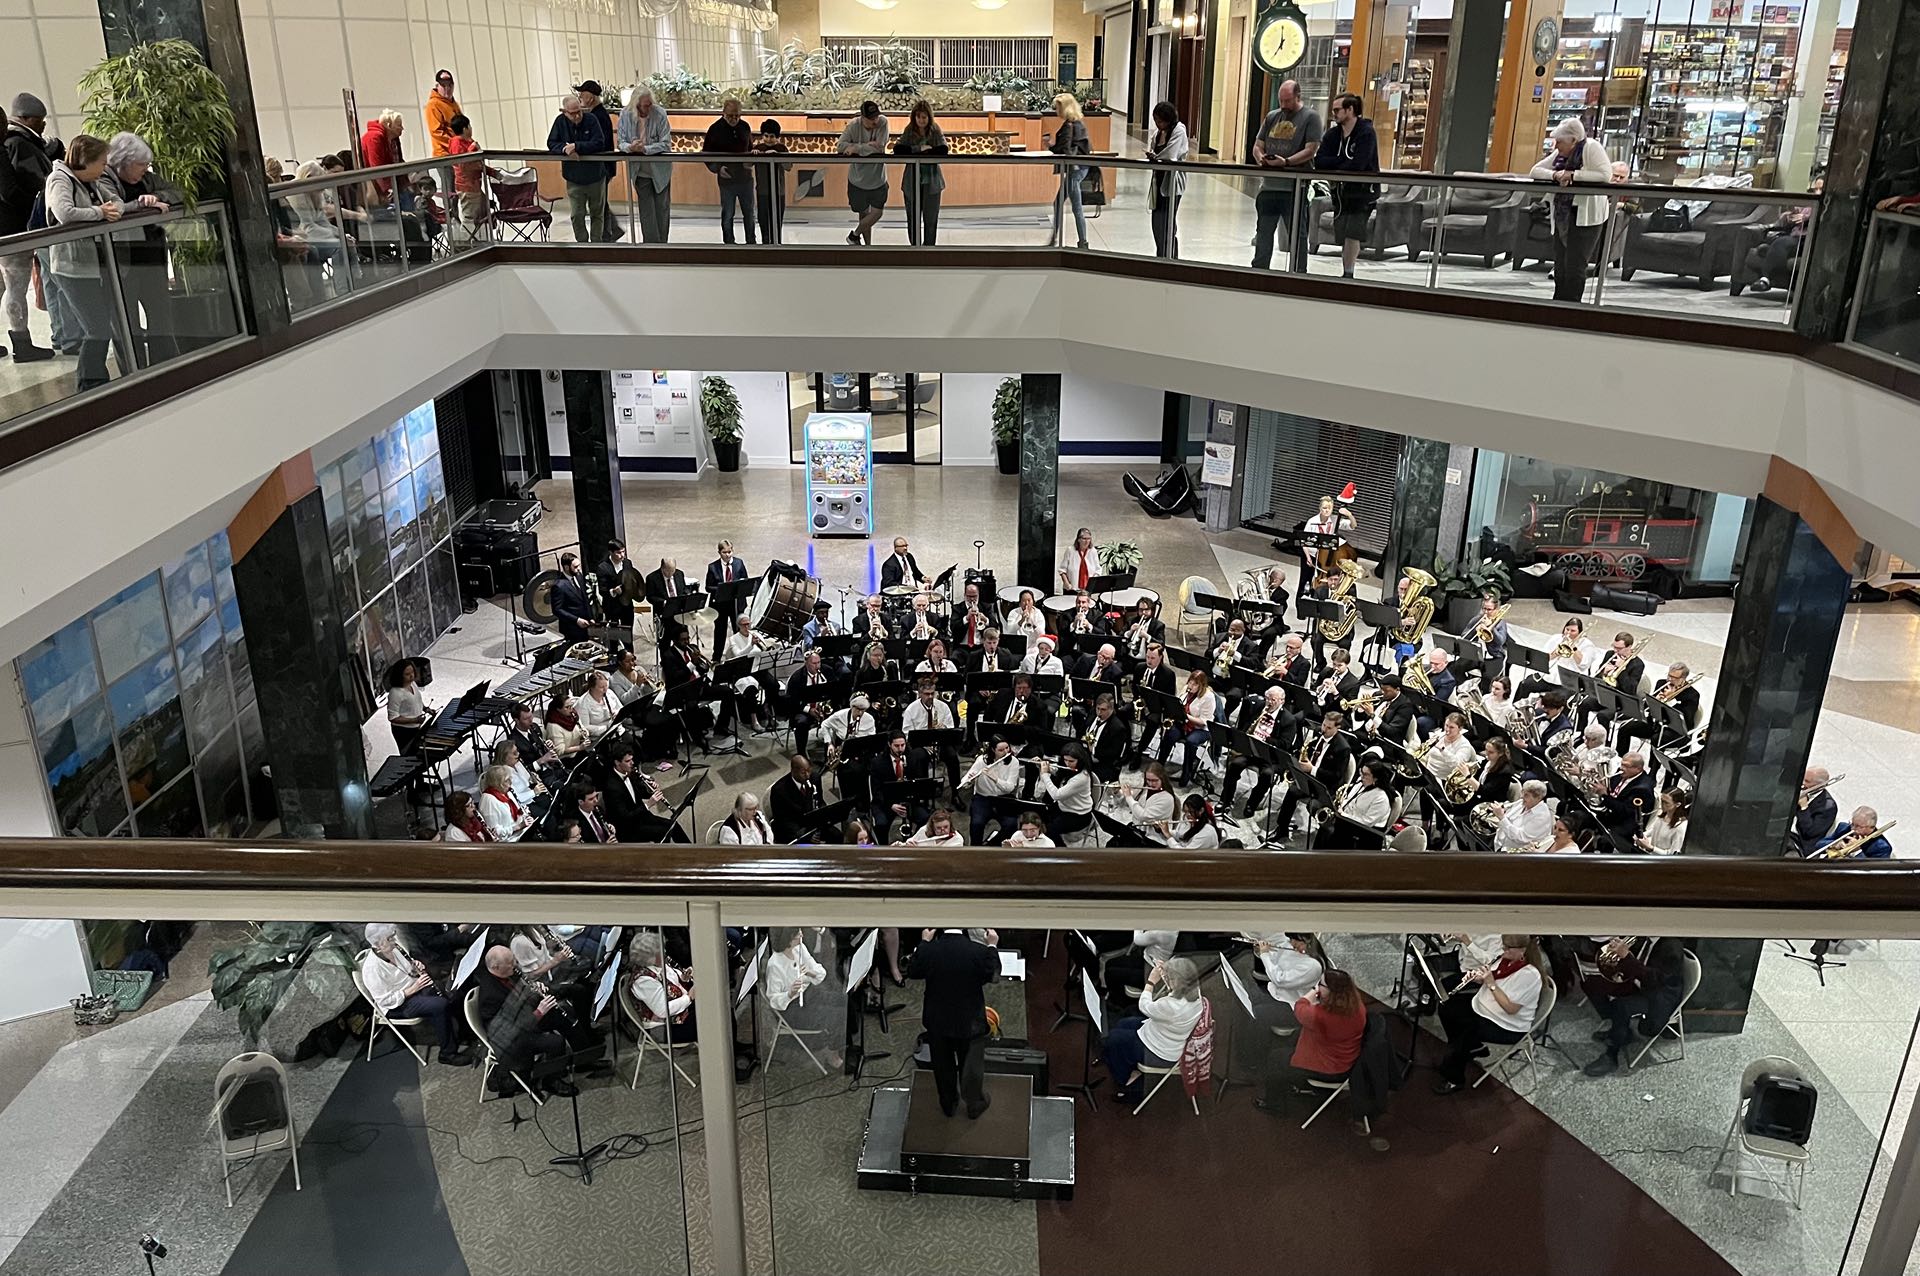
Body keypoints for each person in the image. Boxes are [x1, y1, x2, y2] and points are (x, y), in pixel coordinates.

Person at [44, 135, 125, 393]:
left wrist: (112, 209)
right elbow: (64, 213)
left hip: (95, 264)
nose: (104, 168)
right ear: (86, 161)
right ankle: (89, 385)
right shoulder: (60, 179)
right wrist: (100, 213)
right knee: (96, 328)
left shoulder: (92, 182)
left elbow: (117, 202)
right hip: (72, 267)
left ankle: (95, 382)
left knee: (102, 326)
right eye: (101, 162)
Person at [94, 133, 176, 371]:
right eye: (141, 165)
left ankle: (165, 367)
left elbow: (178, 192)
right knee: (126, 322)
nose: (145, 169)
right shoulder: (103, 179)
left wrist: (157, 197)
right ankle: (135, 371)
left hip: (152, 255)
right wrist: (141, 205)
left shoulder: (148, 179)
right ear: (123, 162)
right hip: (121, 261)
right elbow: (112, 209)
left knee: (161, 314)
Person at [906, 926, 1001, 1118]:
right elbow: (993, 975)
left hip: (938, 1021)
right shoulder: (978, 952)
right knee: (972, 1067)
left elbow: (913, 970)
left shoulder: (930, 951)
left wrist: (924, 943)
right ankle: (974, 1105)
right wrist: (992, 945)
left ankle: (948, 1105)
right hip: (970, 1022)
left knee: (942, 1066)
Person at [1435, 934, 1544, 1094]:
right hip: (1483, 1007)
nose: (1503, 951)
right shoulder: (1507, 959)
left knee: (1465, 1034)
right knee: (1446, 1007)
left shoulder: (1530, 975)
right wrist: (1479, 978)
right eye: (1504, 946)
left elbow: (1510, 1008)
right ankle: (1469, 1049)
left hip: (1506, 1025)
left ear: (1523, 950)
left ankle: (1454, 1078)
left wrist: (1491, 983)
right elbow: (1492, 974)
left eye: (1508, 949)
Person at [1257, 967, 1366, 1114]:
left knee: (1276, 1059)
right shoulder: (1357, 1006)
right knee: (1294, 1037)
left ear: (1332, 992)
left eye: (1321, 984)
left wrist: (1312, 992)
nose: (1318, 986)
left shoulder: (1321, 1016)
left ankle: (1274, 1105)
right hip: (1345, 1056)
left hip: (1330, 1067)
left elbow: (1300, 1007)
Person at [359, 924, 472, 1065]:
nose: (394, 941)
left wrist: (415, 965)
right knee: (439, 1005)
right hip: (397, 1005)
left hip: (413, 988)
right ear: (378, 945)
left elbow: (407, 969)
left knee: (453, 991)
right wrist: (414, 987)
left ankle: (463, 1033)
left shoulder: (393, 949)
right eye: (390, 939)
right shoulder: (371, 969)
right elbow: (385, 1000)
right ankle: (447, 1054)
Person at [1529, 117, 1614, 303]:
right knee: (1561, 266)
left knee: (1575, 266)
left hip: (1586, 217)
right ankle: (1558, 303)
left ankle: (1572, 306)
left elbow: (1605, 175)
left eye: (1560, 141)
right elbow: (1535, 171)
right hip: (1563, 216)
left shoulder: (1591, 148)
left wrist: (1574, 175)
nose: (1556, 145)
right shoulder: (1560, 155)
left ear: (1574, 140)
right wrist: (1555, 174)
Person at [1102, 955, 1203, 1105]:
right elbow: (1173, 991)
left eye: (1170, 978)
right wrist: (1168, 973)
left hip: (1159, 1051)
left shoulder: (1171, 1005)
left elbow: (1144, 1006)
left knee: (1113, 1040)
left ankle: (1126, 1082)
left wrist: (1151, 981)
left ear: (1178, 982)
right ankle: (1126, 1062)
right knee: (1124, 1023)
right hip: (1165, 1034)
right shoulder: (1196, 994)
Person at [1582, 936, 1687, 1077]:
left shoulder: (1671, 948)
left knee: (1621, 1006)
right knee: (1591, 985)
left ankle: (1611, 1055)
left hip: (1658, 998)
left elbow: (1654, 980)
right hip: (1642, 985)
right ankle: (1618, 1029)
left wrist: (1626, 956)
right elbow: (1638, 965)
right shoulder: (1647, 938)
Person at [2, 94, 57, 362]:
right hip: (11, 229)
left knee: (7, 287)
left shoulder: (11, 146)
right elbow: (10, 191)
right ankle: (22, 343)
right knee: (15, 286)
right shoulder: (13, 147)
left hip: (6, 228)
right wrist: (36, 204)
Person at [1250, 79, 1322, 273]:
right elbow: (1258, 145)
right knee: (1263, 232)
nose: (1283, 105)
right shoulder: (1273, 116)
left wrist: (1287, 162)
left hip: (1294, 190)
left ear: (1298, 97)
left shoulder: (1310, 117)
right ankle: (1259, 270)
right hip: (1269, 188)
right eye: (1281, 100)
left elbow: (1311, 149)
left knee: (1297, 235)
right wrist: (1261, 158)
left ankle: (1299, 273)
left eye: (1287, 101)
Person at [1312, 93, 1379, 279]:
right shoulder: (1333, 134)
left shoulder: (1366, 133)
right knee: (1342, 232)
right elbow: (1320, 161)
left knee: (1353, 233)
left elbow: (1359, 164)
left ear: (1350, 110)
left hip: (1362, 193)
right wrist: (1342, 162)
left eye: (1337, 110)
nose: (1334, 113)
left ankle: (1348, 272)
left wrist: (1335, 163)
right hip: (1340, 193)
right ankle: (1346, 270)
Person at [764, 928, 842, 1068]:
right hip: (792, 1008)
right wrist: (790, 993)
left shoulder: (799, 948)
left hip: (809, 993)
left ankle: (843, 1040)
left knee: (843, 999)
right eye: (797, 934)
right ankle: (832, 1050)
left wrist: (810, 973)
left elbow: (820, 973)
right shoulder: (774, 964)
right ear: (787, 939)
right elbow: (774, 1000)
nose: (801, 935)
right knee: (836, 1015)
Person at [547, 93, 610, 244]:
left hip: (596, 176)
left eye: (579, 112)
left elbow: (599, 142)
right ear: (564, 112)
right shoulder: (560, 122)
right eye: (572, 113)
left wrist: (577, 146)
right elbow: (551, 143)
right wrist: (564, 149)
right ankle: (582, 244)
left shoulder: (591, 119)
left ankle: (596, 243)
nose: (577, 116)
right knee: (577, 214)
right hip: (574, 178)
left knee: (597, 213)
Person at [618, 86, 674, 243]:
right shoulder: (625, 115)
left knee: (662, 209)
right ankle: (650, 246)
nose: (648, 108)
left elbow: (666, 143)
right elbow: (621, 142)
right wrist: (630, 147)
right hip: (639, 171)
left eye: (650, 105)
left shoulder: (660, 113)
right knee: (646, 211)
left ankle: (662, 244)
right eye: (644, 106)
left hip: (660, 171)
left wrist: (646, 149)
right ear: (636, 105)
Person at [893, 99, 947, 246]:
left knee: (931, 219)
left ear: (929, 117)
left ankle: (929, 249)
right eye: (918, 117)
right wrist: (918, 149)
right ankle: (915, 248)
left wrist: (928, 149)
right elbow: (897, 149)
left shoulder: (935, 130)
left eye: (924, 117)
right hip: (912, 182)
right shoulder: (909, 130)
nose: (921, 120)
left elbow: (943, 149)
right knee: (913, 218)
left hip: (932, 181)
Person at [626, 930, 696, 1041]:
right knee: (712, 1016)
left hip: (682, 1013)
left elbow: (672, 981)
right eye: (659, 951)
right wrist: (689, 997)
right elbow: (662, 1010)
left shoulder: (659, 964)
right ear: (649, 958)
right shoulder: (643, 981)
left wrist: (684, 977)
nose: (664, 951)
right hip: (665, 1029)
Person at [572, 80, 620, 241]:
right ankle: (611, 230)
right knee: (601, 202)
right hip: (604, 166)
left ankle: (607, 233)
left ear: (590, 97)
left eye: (582, 94)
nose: (579, 97)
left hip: (602, 166)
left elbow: (599, 143)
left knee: (599, 204)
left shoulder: (596, 117)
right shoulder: (599, 114)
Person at [602, 742, 678, 842]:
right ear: (617, 762)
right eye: (627, 761)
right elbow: (625, 817)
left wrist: (651, 790)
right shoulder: (611, 787)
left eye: (632, 759)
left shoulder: (630, 772)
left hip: (641, 816)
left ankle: (692, 851)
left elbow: (639, 792)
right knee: (663, 831)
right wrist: (648, 804)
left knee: (674, 825)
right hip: (628, 828)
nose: (632, 763)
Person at [839, 101, 890, 246]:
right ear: (862, 117)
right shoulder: (853, 126)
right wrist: (866, 147)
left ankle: (854, 235)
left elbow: (880, 147)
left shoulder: (883, 123)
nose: (875, 121)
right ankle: (867, 246)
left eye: (876, 117)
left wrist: (857, 149)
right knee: (863, 213)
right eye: (871, 118)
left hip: (878, 179)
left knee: (877, 213)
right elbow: (840, 146)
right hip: (858, 180)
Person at [1155, 670, 1216, 787]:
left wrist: (1186, 716)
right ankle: (1159, 765)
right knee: (1169, 734)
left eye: (1194, 684)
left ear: (1201, 685)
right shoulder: (1185, 690)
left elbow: (1204, 721)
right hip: (1183, 723)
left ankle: (1186, 773)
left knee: (1191, 742)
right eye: (1190, 683)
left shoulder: (1209, 697)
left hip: (1200, 728)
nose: (1190, 686)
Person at [1144, 102, 1188, 258]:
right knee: (1157, 222)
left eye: (1160, 120)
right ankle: (1161, 255)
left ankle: (1170, 258)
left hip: (1173, 183)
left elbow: (1171, 154)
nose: (1157, 124)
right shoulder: (1158, 133)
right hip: (1159, 180)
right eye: (1155, 120)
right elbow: (1152, 146)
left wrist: (1156, 157)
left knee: (1167, 223)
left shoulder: (1179, 130)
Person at [1049, 93, 1092, 250]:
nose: (1056, 111)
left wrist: (1051, 146)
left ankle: (1081, 243)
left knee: (1075, 207)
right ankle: (1058, 239)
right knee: (1061, 203)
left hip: (1075, 169)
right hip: (1080, 168)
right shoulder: (1078, 123)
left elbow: (1064, 149)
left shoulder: (1069, 125)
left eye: (1058, 107)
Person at [1035, 744, 1095, 844]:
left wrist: (1044, 775)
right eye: (1065, 760)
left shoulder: (1082, 777)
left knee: (1048, 831)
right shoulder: (1071, 769)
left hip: (1078, 815)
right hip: (1064, 807)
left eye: (1071, 761)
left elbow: (1056, 795)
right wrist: (1042, 765)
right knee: (1038, 817)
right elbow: (1059, 773)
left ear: (1080, 760)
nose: (1067, 764)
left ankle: (1061, 852)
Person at [1597, 752, 1656, 843]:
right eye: (1621, 764)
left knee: (1605, 840)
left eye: (1626, 766)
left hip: (1625, 822)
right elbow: (1610, 788)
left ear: (1638, 769)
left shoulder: (1643, 789)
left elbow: (1625, 811)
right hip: (1611, 812)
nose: (1621, 768)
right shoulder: (1623, 773)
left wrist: (1605, 795)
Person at [767, 754, 823, 843]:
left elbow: (820, 802)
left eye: (809, 770)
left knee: (837, 836)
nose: (808, 775)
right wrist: (806, 836)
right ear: (793, 771)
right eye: (803, 773)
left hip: (812, 824)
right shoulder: (779, 790)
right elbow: (783, 821)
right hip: (793, 831)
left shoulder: (815, 778)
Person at [749, 118, 788, 244]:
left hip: (778, 191)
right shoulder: (758, 148)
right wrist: (753, 155)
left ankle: (777, 244)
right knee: (763, 220)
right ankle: (765, 244)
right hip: (763, 191)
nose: (769, 139)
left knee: (777, 221)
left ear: (777, 137)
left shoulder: (782, 148)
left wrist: (777, 155)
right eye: (766, 136)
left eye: (772, 136)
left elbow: (789, 166)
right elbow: (746, 164)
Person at [1789, 766, 1840, 857]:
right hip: (1786, 833)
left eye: (1807, 781)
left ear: (1820, 785)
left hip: (1801, 845)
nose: (1803, 784)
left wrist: (1804, 808)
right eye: (1803, 779)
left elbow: (1809, 833)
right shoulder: (1800, 790)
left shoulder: (1828, 807)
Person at [1492, 779, 1555, 851]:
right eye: (1522, 792)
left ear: (1538, 798)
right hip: (1499, 845)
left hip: (1515, 855)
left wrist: (1501, 817)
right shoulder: (1522, 803)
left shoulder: (1542, 817)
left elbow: (1520, 838)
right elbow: (1507, 819)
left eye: (1526, 795)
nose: (1521, 797)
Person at [477, 765, 533, 841]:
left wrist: (526, 817)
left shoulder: (507, 792)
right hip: (510, 840)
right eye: (507, 780)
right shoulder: (488, 801)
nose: (511, 782)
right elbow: (495, 833)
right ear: (497, 783)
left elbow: (519, 811)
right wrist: (518, 827)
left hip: (521, 833)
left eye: (510, 778)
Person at [385, 659, 430, 753]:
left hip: (416, 727)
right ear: (399, 676)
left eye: (412, 672)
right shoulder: (395, 693)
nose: (411, 675)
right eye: (407, 674)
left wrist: (426, 709)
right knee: (410, 756)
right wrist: (414, 720)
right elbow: (393, 717)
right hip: (403, 732)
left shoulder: (413, 684)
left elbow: (417, 700)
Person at [1815, 806, 1894, 859]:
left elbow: (1870, 870)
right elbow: (1818, 844)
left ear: (1871, 827)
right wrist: (1835, 844)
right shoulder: (1844, 827)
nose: (1853, 829)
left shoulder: (1882, 847)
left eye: (1859, 826)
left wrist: (1855, 851)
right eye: (1852, 824)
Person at [900, 807, 964, 847]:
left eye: (946, 827)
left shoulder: (957, 839)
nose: (943, 830)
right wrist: (909, 845)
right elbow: (911, 841)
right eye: (938, 828)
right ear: (932, 827)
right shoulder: (924, 830)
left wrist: (918, 851)